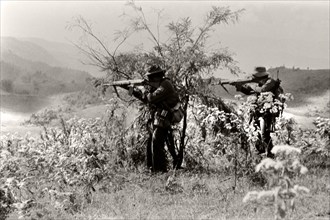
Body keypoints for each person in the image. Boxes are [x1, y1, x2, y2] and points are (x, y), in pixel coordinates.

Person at [120, 65, 180, 172]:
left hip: (165, 118)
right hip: (158, 118)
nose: (150, 80)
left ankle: (160, 171)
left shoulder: (166, 84)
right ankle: (152, 170)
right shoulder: (156, 86)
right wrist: (130, 89)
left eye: (152, 77)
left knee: (157, 143)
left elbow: (151, 98)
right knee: (151, 144)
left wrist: (144, 89)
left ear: (158, 76)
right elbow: (144, 99)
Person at [234, 66, 284, 157]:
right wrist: (240, 87)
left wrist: (250, 84)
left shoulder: (270, 82)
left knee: (265, 133)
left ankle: (269, 154)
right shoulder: (260, 83)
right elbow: (249, 91)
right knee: (256, 132)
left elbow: (262, 90)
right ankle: (261, 152)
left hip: (268, 111)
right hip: (258, 110)